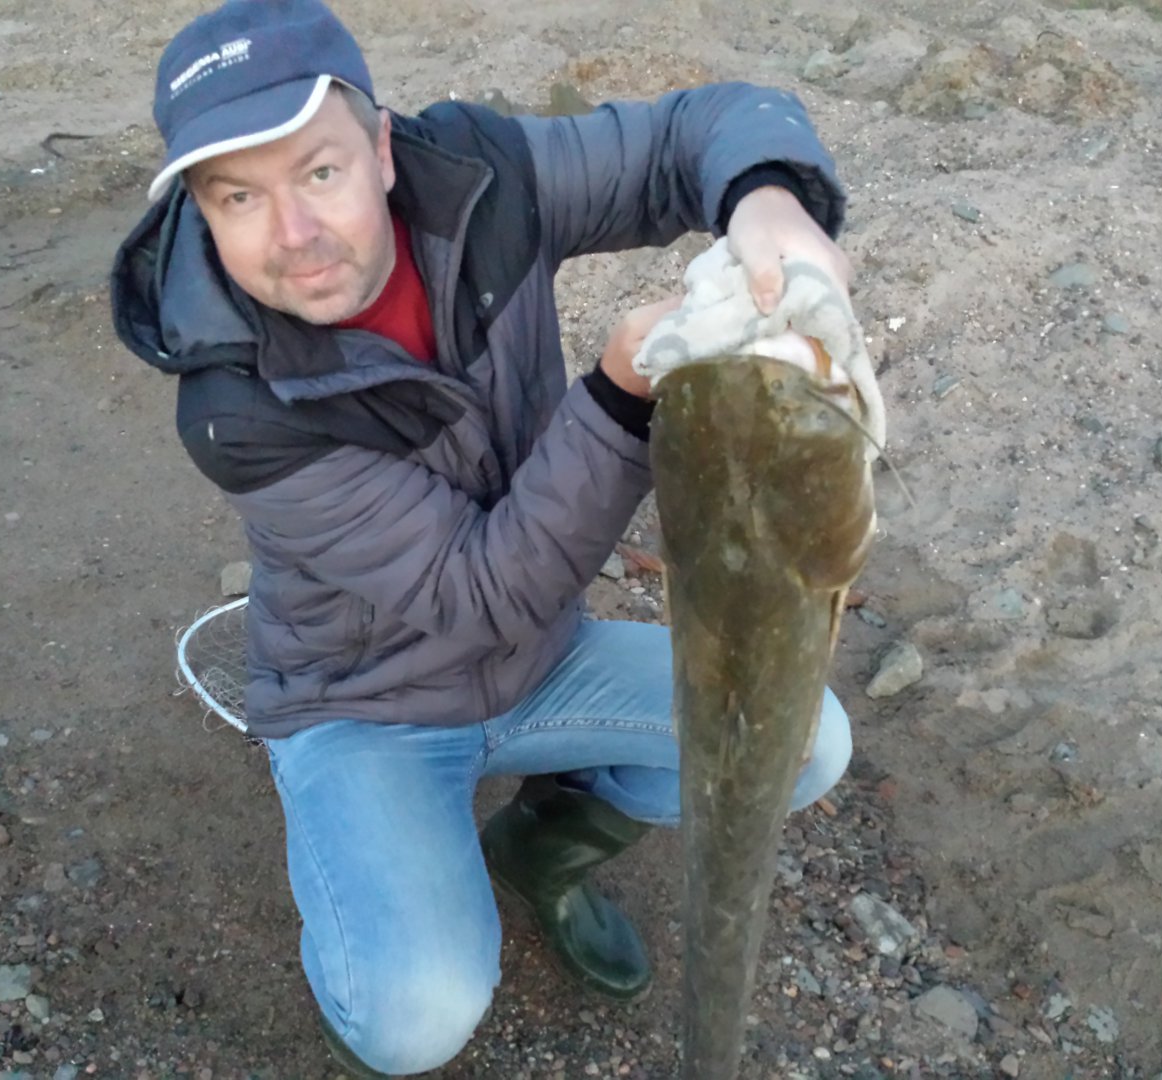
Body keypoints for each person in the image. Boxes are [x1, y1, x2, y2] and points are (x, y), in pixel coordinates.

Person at [111, 1, 855, 1075]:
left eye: (320, 172)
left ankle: (543, 843)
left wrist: (769, 199)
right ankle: (374, 870)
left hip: (545, 659)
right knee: (415, 1016)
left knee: (806, 742)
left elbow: (695, 130)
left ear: (382, 150)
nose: (294, 234)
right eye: (239, 196)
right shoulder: (235, 406)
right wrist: (620, 397)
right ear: (199, 207)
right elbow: (479, 596)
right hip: (366, 704)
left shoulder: (480, 176)